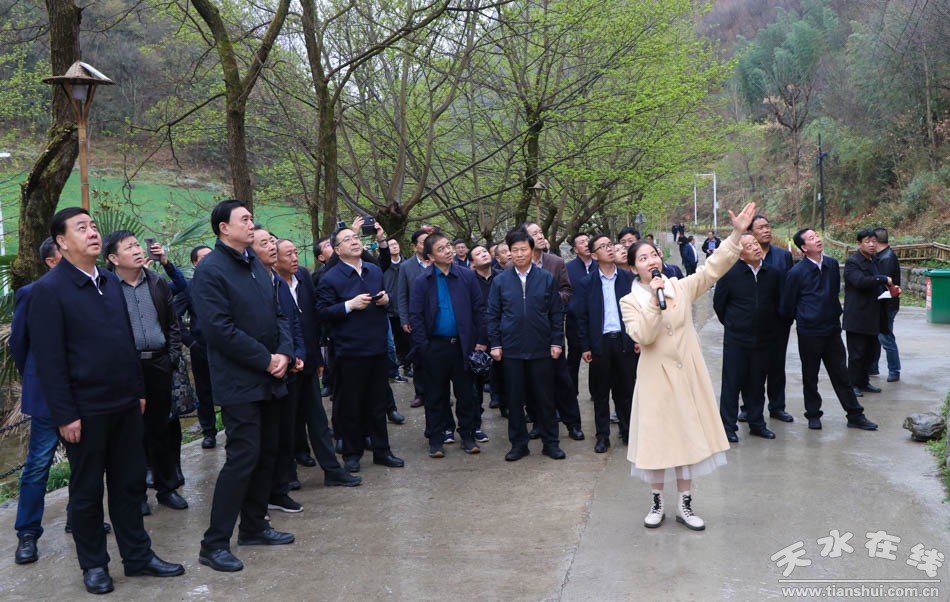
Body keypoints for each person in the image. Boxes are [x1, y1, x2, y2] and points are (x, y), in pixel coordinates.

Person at [29, 207, 184, 594]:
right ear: (62, 242)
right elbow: (49, 360)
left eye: (94, 226)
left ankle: (138, 556)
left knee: (129, 484)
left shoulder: (110, 282)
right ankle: (94, 564)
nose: (93, 233)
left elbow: (125, 342)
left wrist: (139, 391)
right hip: (84, 410)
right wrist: (65, 414)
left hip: (125, 403)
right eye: (81, 228)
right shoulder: (49, 291)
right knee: (86, 492)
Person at [619, 202, 756, 532]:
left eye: (653, 255)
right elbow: (643, 335)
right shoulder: (630, 301)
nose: (651, 261)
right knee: (656, 440)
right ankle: (657, 502)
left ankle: (685, 503)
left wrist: (737, 234)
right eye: (643, 258)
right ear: (633, 268)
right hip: (655, 379)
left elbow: (711, 270)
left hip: (686, 375)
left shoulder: (679, 286)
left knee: (687, 439)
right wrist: (654, 303)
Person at [192, 200, 295, 573]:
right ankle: (214, 543)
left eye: (252, 218)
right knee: (242, 458)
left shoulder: (255, 264)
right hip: (239, 381)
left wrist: (284, 352)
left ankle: (254, 526)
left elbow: (279, 313)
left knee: (267, 453)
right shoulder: (211, 271)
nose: (252, 224)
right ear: (224, 228)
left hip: (271, 375)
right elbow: (218, 330)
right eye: (245, 219)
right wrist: (265, 359)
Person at [11, 238, 112, 565]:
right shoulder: (33, 293)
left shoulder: (90, 289)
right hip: (47, 399)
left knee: (85, 464)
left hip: (85, 395)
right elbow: (19, 344)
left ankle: (78, 517)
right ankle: (27, 532)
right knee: (38, 464)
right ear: (52, 262)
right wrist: (38, 379)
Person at [103, 230, 187, 513]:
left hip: (159, 363)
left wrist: (172, 356)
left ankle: (167, 489)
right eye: (129, 248)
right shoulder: (107, 288)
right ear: (114, 258)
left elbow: (172, 323)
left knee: (161, 429)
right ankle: (136, 495)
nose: (138, 250)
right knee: (130, 435)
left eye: (137, 245)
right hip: (127, 368)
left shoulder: (156, 281)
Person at [274, 238, 362, 489]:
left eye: (295, 253)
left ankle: (332, 470)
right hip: (286, 363)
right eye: (288, 254)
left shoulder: (303, 276)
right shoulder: (270, 283)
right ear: (274, 259)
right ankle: (288, 474)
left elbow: (313, 318)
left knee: (318, 420)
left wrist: (316, 355)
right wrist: (290, 356)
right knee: (288, 422)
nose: (294, 258)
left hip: (309, 361)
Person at [316, 228, 405, 472]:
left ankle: (382, 451)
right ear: (337, 249)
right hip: (349, 351)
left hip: (377, 347)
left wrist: (385, 300)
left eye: (355, 238)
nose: (354, 242)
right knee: (351, 405)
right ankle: (351, 454)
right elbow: (322, 312)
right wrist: (349, 305)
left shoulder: (373, 270)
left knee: (378, 403)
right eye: (347, 239)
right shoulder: (330, 278)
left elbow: (385, 299)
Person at [779, 228, 879, 433]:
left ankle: (855, 415)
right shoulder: (796, 273)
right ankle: (813, 415)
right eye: (811, 238)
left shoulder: (831, 265)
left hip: (831, 329)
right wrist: (806, 316)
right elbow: (787, 305)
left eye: (817, 235)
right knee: (810, 375)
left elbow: (833, 293)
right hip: (809, 332)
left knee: (841, 374)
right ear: (804, 248)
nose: (817, 239)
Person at [486, 228, 566, 461]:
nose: (519, 254)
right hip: (511, 349)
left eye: (524, 249)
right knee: (514, 399)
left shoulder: (546, 278)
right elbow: (492, 314)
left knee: (545, 398)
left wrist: (556, 341)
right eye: (515, 250)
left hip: (541, 348)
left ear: (532, 251)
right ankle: (519, 444)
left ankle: (551, 443)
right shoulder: (501, 281)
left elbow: (556, 313)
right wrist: (495, 344)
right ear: (509, 253)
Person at [409, 233, 487, 457]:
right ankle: (436, 439)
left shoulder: (466, 276)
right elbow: (416, 317)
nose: (448, 251)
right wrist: (424, 347)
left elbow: (479, 310)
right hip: (435, 347)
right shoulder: (422, 282)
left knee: (467, 394)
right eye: (441, 249)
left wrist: (480, 340)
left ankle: (468, 436)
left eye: (448, 246)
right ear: (431, 257)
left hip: (463, 346)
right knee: (435, 396)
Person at [250, 227, 307, 515]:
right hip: (261, 369)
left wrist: (295, 354)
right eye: (265, 243)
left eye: (273, 242)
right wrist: (271, 359)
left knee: (285, 434)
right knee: (261, 441)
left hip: (287, 366)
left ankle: (280, 489)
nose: (272, 247)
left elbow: (291, 321)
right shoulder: (250, 281)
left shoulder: (277, 282)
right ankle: (261, 497)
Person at [713, 233, 782, 443]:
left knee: (757, 383)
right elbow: (719, 304)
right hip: (737, 339)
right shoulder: (730, 273)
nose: (756, 247)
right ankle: (727, 427)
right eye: (749, 245)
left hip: (763, 338)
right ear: (740, 254)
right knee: (732, 383)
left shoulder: (772, 273)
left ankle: (757, 423)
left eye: (755, 243)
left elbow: (777, 302)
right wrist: (734, 324)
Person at [574, 234, 638, 453]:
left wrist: (636, 338)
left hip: (624, 340)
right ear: (594, 255)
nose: (610, 249)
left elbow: (637, 311)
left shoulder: (627, 278)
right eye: (603, 246)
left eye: (610, 245)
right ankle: (602, 436)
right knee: (601, 394)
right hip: (600, 343)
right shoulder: (587, 283)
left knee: (626, 391)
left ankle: (628, 432)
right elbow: (581, 317)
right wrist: (585, 346)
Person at [525, 222, 584, 441]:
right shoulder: (517, 265)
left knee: (562, 380)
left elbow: (567, 291)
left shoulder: (556, 262)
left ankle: (572, 423)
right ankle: (538, 422)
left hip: (553, 330)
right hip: (528, 333)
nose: (540, 236)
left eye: (540, 232)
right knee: (532, 382)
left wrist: (549, 300)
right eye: (534, 233)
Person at [746, 215, 795, 423]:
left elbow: (791, 287)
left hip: (778, 321)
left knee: (776, 365)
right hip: (752, 322)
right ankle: (748, 407)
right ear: (751, 233)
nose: (766, 230)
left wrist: (787, 314)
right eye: (761, 227)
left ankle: (777, 406)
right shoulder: (744, 255)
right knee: (751, 367)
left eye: (768, 226)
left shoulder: (783, 256)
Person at [175, 245, 217, 449]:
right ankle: (209, 431)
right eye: (203, 258)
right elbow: (173, 317)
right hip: (201, 346)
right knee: (204, 390)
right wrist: (190, 341)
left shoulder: (223, 282)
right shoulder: (189, 288)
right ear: (194, 263)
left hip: (226, 345)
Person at [843, 229, 892, 398]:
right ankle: (853, 384)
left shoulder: (874, 260)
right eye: (867, 241)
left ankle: (864, 382)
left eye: (874, 241)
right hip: (857, 316)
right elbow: (860, 282)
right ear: (859, 244)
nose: (871, 245)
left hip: (873, 315)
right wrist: (882, 279)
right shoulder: (853, 262)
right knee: (857, 354)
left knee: (870, 352)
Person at [397, 229, 431, 409]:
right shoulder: (406, 267)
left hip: (436, 318)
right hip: (416, 320)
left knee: (437, 358)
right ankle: (420, 393)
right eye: (423, 242)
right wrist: (404, 319)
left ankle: (439, 392)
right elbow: (402, 295)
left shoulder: (437, 262)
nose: (427, 245)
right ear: (414, 246)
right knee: (418, 358)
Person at [565, 232, 597, 395]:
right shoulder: (568, 268)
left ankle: (595, 391)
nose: (586, 243)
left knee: (597, 358)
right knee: (574, 356)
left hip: (597, 319)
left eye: (587, 240)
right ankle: (571, 392)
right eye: (582, 242)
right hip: (575, 320)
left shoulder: (599, 265)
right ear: (575, 249)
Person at [871, 227, 901, 382]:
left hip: (887, 304)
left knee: (886, 337)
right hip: (884, 303)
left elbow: (884, 282)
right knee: (877, 336)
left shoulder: (886, 258)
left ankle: (894, 370)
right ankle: (872, 367)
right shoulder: (883, 256)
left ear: (875, 241)